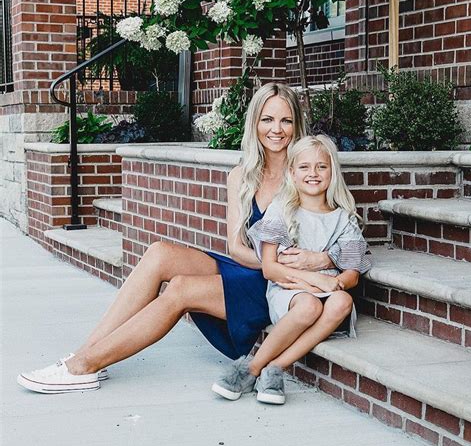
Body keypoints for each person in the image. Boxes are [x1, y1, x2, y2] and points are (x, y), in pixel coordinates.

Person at [17, 83, 334, 394]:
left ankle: (84, 366)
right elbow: (236, 247)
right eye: (267, 119)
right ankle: (83, 354)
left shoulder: (308, 171)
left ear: (297, 124)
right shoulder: (242, 174)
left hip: (283, 286)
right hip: (256, 267)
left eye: (285, 120)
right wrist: (268, 262)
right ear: (255, 123)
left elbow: (336, 228)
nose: (276, 129)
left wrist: (311, 263)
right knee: (159, 254)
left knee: (182, 288)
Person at [212, 135, 371, 404]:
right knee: (309, 306)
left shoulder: (343, 218)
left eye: (322, 166)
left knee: (343, 301)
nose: (313, 173)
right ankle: (249, 369)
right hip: (288, 290)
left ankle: (275, 368)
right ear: (292, 173)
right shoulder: (281, 211)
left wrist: (336, 283)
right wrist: (316, 281)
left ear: (333, 172)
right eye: (305, 167)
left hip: (328, 292)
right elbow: (270, 270)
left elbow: (352, 273)